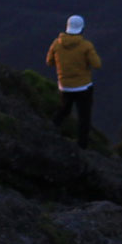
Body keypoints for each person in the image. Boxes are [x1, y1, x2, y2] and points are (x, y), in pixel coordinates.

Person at [44, 15, 101, 148]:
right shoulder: (86, 46)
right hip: (83, 87)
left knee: (64, 110)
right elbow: (97, 64)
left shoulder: (56, 44)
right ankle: (82, 146)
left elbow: (49, 62)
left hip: (65, 87)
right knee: (84, 117)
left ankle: (48, 130)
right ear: (82, 29)